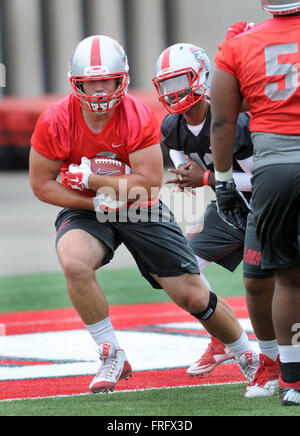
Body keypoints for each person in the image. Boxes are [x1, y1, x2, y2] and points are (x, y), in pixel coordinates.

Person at [29, 35, 257, 395]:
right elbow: (41, 185)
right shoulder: (56, 119)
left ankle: (246, 354)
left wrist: (93, 179)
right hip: (88, 208)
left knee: (193, 295)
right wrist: (93, 202)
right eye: (92, 80)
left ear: (122, 79)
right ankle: (111, 354)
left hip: (139, 206)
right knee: (73, 261)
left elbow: (149, 184)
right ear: (77, 82)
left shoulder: (136, 114)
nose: (100, 89)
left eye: (108, 80)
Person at [153, 43, 280, 398]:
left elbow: (263, 179)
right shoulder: (172, 126)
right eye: (166, 85)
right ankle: (222, 337)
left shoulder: (232, 120)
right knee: (180, 270)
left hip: (269, 206)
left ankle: (279, 361)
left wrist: (207, 179)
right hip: (229, 206)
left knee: (270, 283)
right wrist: (185, 172)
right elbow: (179, 154)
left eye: (180, 81)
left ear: (201, 78)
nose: (174, 92)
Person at [210, 0, 300, 406]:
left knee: (288, 278)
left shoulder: (240, 46)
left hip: (275, 169)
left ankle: (293, 382)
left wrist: (223, 181)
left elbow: (224, 119)